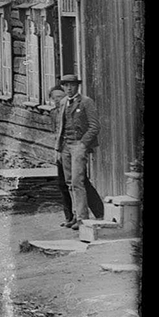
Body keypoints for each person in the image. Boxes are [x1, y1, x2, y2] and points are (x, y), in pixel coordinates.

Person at [49, 84, 103, 225]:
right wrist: (58, 149)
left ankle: (83, 218)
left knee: (77, 182)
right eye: (66, 86)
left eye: (71, 86)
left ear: (77, 87)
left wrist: (83, 144)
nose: (69, 89)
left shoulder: (86, 102)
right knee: (68, 183)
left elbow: (94, 126)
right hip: (65, 147)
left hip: (78, 146)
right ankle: (74, 216)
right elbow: (60, 129)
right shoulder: (62, 104)